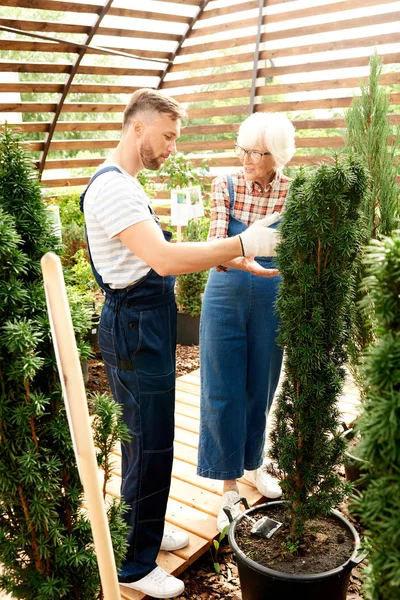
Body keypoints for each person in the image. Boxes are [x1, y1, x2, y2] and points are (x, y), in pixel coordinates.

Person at [80, 89, 283, 599]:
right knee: (149, 443)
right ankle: (134, 563)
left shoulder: (126, 183)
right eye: (168, 137)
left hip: (145, 323)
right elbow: (165, 259)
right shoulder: (114, 189)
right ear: (138, 129)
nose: (172, 147)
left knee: (150, 439)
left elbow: (162, 257)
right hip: (134, 326)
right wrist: (244, 242)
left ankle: (143, 528)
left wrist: (232, 257)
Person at [197, 112, 296, 532]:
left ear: (277, 156)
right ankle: (228, 488)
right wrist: (240, 255)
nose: (247, 160)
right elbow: (217, 243)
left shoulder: (294, 191)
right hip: (225, 289)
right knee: (223, 389)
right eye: (243, 149)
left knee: (263, 384)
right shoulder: (227, 185)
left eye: (257, 153)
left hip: (272, 293)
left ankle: (254, 464)